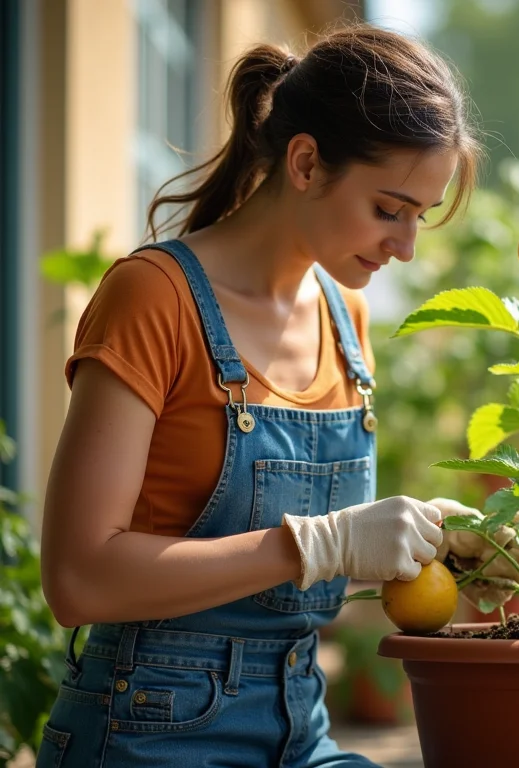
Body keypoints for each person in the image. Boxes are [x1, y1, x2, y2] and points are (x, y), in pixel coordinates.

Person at [37, 23, 483, 768]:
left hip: (300, 729)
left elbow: (298, 578)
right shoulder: (154, 298)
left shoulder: (347, 321)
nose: (406, 247)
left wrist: (423, 541)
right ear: (305, 161)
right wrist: (319, 542)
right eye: (389, 209)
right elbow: (77, 579)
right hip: (147, 732)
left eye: (421, 218)